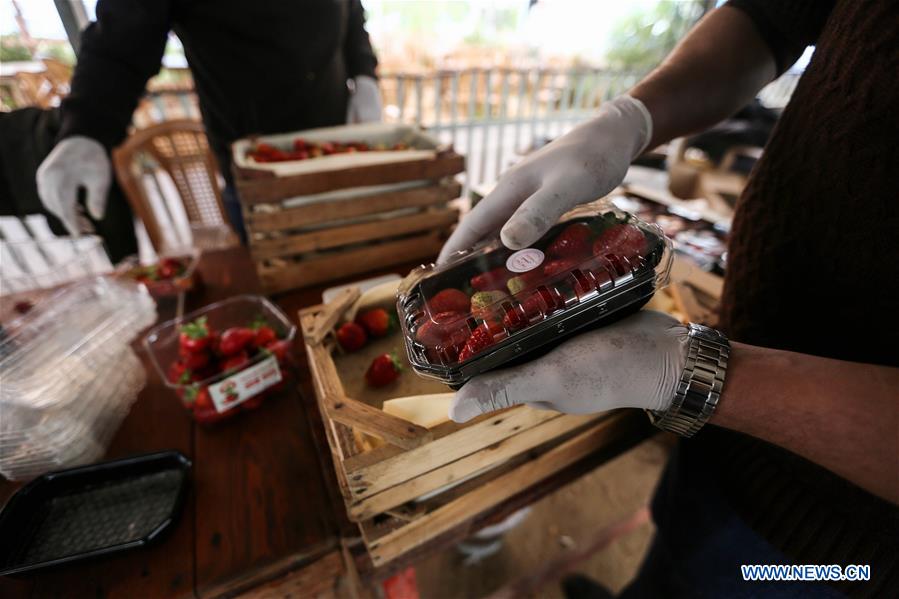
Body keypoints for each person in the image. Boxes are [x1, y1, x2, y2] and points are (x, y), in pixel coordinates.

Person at [440, 1, 898, 596]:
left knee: (735, 578)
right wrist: (630, 117)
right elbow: (772, 18)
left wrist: (690, 373)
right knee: (678, 550)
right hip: (733, 402)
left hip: (841, 552)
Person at [36, 0, 381, 242]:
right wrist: (85, 128)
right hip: (257, 171)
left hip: (339, 153)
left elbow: (351, 12)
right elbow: (121, 40)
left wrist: (364, 73)